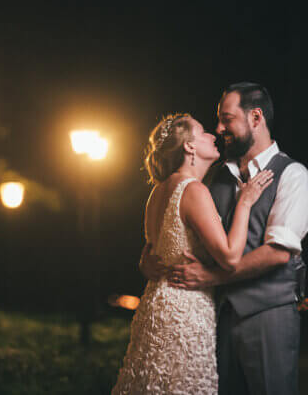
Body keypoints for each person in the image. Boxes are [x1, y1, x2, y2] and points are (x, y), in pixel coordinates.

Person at [141, 82, 308, 395]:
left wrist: (211, 276)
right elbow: (177, 229)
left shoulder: (293, 175)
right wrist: (151, 260)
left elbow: (278, 252)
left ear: (256, 118)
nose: (219, 128)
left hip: (267, 316)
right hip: (214, 319)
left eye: (227, 119)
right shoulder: (211, 177)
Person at [112, 113, 275, 395]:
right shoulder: (194, 190)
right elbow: (230, 257)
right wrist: (245, 203)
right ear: (189, 147)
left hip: (155, 305)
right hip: (184, 311)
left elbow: (150, 254)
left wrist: (144, 263)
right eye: (203, 133)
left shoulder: (157, 192)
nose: (213, 135)